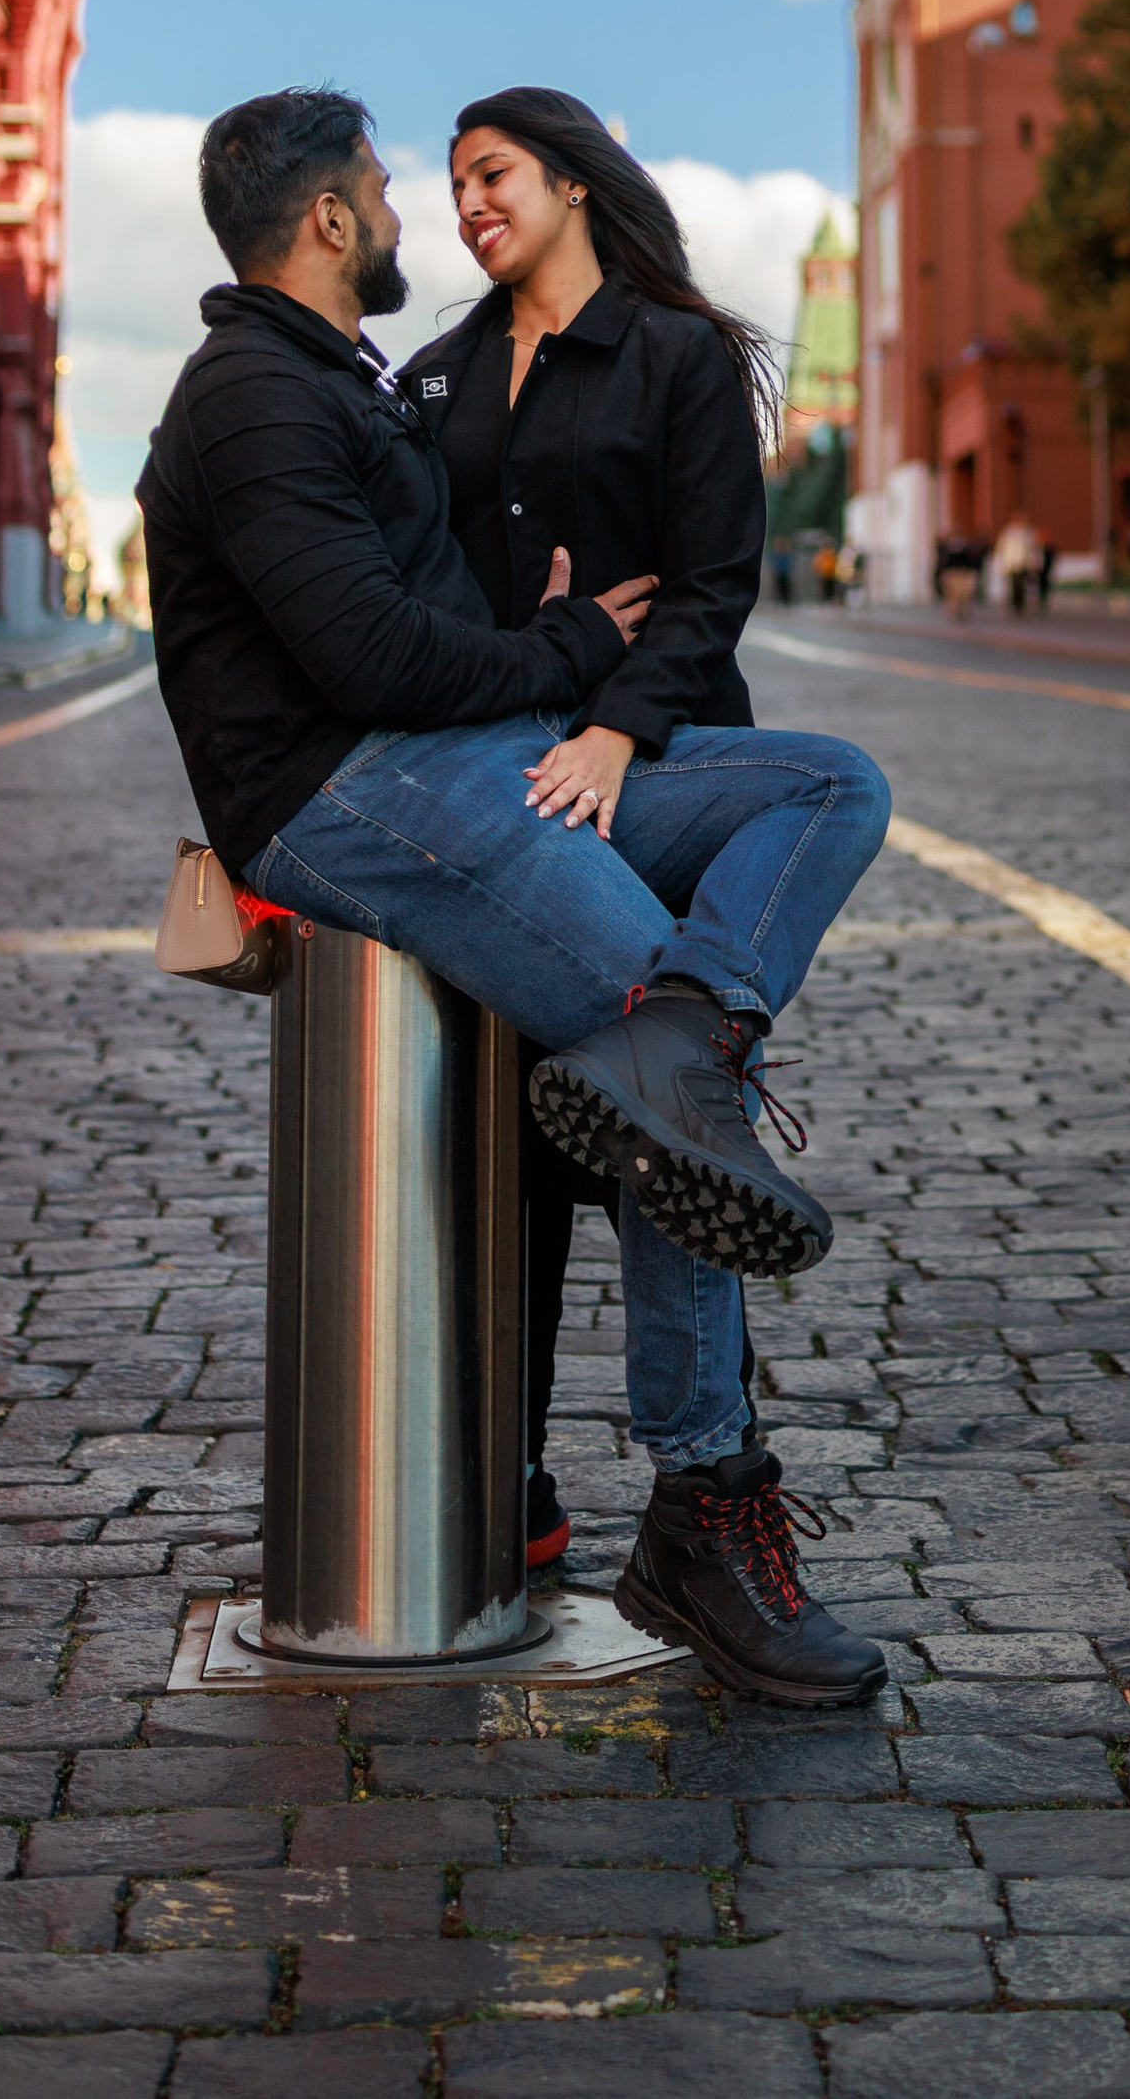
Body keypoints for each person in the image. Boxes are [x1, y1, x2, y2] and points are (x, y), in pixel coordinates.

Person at [138, 86, 892, 1706]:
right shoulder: (257, 393)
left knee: (822, 785)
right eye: (401, 186)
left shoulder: (355, 379)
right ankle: (706, 1499)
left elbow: (443, 606)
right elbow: (366, 661)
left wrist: (550, 660)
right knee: (666, 1063)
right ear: (330, 219)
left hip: (498, 750)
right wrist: (563, 645)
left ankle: (684, 1050)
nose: (424, 209)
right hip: (346, 786)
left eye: (478, 176)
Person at [400, 86, 778, 1590]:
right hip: (499, 787)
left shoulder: (677, 354)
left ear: (570, 181)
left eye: (493, 174)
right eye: (453, 185)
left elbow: (714, 581)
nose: (471, 203)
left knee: (668, 1133)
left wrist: (617, 727)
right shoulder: (435, 381)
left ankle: (707, 1486)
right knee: (503, 1143)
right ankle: (509, 1473)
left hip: (662, 770)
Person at [993, 512, 1043, 617]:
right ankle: (1016, 605)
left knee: (1024, 585)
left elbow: (1035, 548)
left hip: (1025, 563)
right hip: (1013, 563)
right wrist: (1000, 562)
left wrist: (1036, 561)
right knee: (1015, 585)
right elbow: (1001, 548)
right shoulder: (1008, 532)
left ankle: (1022, 604)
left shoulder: (1029, 533)